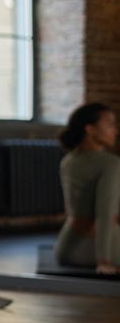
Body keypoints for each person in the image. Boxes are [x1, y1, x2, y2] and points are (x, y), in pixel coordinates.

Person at [55, 102, 120, 275]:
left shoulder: (68, 161)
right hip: (99, 250)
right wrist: (104, 260)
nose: (115, 130)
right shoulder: (110, 164)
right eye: (110, 124)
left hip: (66, 249)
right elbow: (105, 214)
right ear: (90, 129)